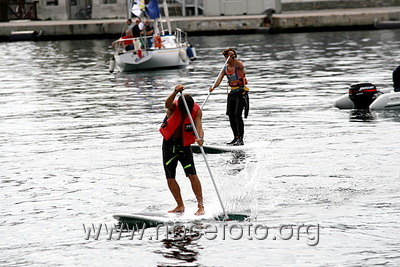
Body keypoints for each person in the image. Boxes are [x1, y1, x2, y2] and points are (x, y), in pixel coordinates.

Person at [160, 84, 205, 215]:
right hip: (169, 145)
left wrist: (200, 138)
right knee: (170, 177)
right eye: (185, 110)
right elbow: (166, 103)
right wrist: (174, 91)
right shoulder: (173, 106)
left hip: (184, 145)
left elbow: (199, 127)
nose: (187, 112)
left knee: (192, 175)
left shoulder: (196, 111)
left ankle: (201, 206)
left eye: (189, 110)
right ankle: (180, 205)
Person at [209, 48, 249, 146]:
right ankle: (236, 138)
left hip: (241, 93)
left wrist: (234, 58)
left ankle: (241, 139)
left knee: (237, 115)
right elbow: (218, 80)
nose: (229, 58)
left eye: (231, 57)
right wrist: (213, 87)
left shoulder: (238, 66)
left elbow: (242, 66)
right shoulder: (225, 68)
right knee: (231, 115)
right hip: (232, 94)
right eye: (227, 57)